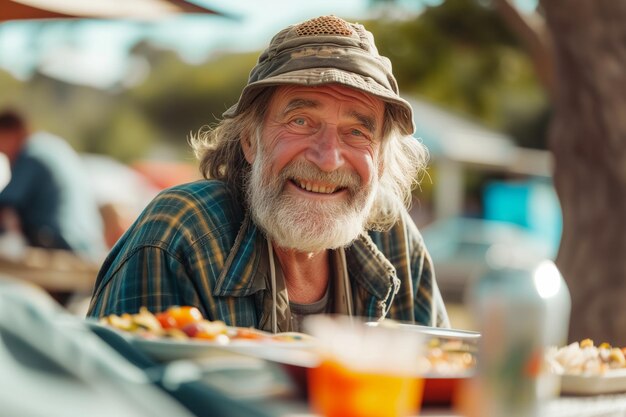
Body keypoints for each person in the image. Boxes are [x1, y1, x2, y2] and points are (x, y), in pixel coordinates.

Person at [88, 15, 450, 332]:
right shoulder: (181, 232)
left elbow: (440, 380)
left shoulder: (393, 236)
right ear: (250, 140)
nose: (327, 159)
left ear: (382, 160)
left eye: (357, 132)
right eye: (301, 121)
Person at [0, 110, 107, 264]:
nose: (3, 154)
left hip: (60, 242)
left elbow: (6, 203)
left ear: (13, 132)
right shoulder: (54, 146)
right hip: (90, 244)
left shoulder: (31, 154)